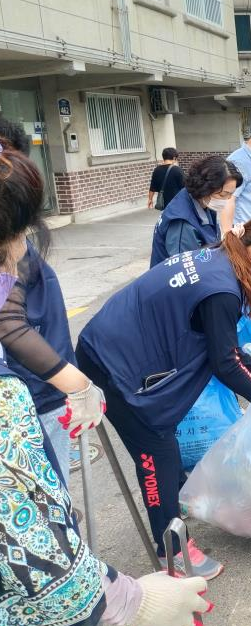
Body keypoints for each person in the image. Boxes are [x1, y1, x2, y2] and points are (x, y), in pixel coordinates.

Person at [0, 139, 209, 625]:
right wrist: (132, 601)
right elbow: (37, 557)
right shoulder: (7, 405)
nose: (18, 262)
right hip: (49, 392)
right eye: (16, 242)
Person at [76, 212, 251, 578]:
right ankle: (171, 548)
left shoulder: (221, 258)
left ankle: (175, 500)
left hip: (117, 341)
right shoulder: (223, 288)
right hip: (112, 362)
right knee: (157, 449)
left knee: (167, 445)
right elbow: (224, 363)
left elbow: (222, 346)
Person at [0, 119, 103, 484]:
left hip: (42, 388)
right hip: (32, 398)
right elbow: (9, 322)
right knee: (45, 503)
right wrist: (75, 384)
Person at [150, 155, 243, 267]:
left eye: (230, 195)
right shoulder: (183, 223)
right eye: (224, 194)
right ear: (206, 187)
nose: (227, 200)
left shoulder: (201, 201)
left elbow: (209, 245)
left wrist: (229, 240)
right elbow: (185, 270)